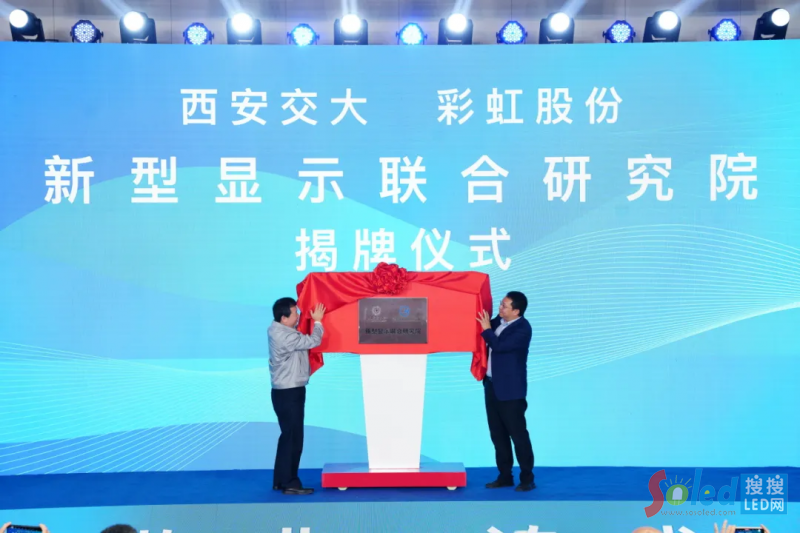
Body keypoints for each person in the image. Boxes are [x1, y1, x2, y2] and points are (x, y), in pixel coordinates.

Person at [476, 291, 535, 492]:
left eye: (504, 306)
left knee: (518, 436)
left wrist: (486, 329)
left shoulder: (522, 329)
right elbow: (480, 324)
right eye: (501, 304)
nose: (500, 308)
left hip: (511, 392)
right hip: (492, 386)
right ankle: (504, 476)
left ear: (516, 311)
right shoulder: (497, 322)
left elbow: (499, 346)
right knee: (498, 435)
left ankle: (527, 478)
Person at [269, 297, 325, 495]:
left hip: (285, 391)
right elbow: (313, 341)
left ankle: (281, 480)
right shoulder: (284, 336)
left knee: (288, 437)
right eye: (295, 313)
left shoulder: (279, 330)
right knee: (293, 438)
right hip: (289, 392)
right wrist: (318, 321)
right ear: (284, 318)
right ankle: (290, 483)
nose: (299, 315)